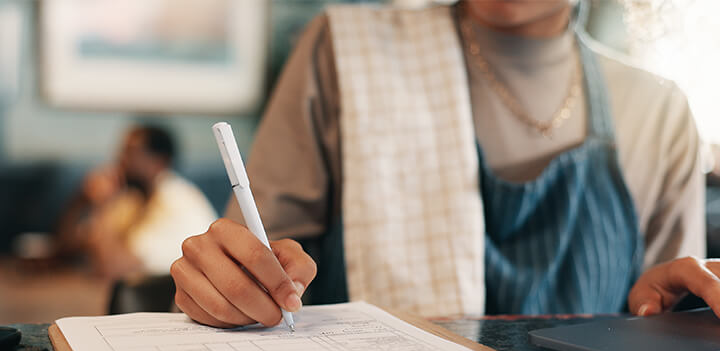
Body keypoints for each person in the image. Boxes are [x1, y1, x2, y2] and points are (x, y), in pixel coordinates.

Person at [170, 0, 718, 329]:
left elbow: (662, 316)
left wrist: (682, 310)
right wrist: (228, 286)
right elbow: (252, 269)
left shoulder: (661, 111)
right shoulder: (343, 53)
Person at [57, 124, 217, 279]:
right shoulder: (134, 197)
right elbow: (68, 246)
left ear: (159, 162)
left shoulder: (174, 201)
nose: (121, 160)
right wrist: (82, 199)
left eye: (131, 152)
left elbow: (113, 267)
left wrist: (101, 206)